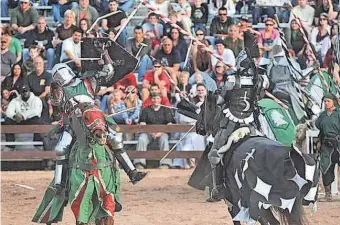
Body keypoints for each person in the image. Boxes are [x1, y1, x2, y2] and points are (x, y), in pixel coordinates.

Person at [49, 62, 147, 185]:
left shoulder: (85, 81)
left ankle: (132, 172)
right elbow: (57, 109)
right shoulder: (60, 90)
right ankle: (60, 183)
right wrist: (55, 92)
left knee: (115, 139)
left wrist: (103, 55)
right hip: (73, 121)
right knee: (61, 148)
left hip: (95, 117)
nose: (61, 76)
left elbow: (108, 71)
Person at [198, 49, 269, 200]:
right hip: (251, 121)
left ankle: (218, 189)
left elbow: (220, 101)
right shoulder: (260, 79)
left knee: (214, 154)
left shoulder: (232, 80)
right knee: (266, 137)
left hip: (232, 120)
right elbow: (261, 94)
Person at [134, 92, 175, 169]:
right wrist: (150, 132)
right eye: (154, 98)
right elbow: (142, 124)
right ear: (151, 99)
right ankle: (139, 163)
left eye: (158, 98)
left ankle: (165, 164)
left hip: (162, 133)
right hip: (148, 133)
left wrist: (160, 133)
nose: (156, 100)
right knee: (141, 139)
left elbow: (169, 125)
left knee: (164, 140)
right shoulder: (146, 110)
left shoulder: (166, 110)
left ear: (161, 99)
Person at [2, 84, 43, 152]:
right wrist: (15, 116)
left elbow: (36, 111)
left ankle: (38, 144)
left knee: (38, 120)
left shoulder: (36, 99)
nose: (24, 93)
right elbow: (8, 112)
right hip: (18, 120)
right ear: (20, 92)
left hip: (30, 120)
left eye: (26, 91)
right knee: (7, 121)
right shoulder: (15, 100)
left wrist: (23, 115)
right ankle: (10, 146)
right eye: (22, 92)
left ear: (29, 91)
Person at [315, 93, 340, 202]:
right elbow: (320, 127)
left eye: (328, 101)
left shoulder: (338, 113)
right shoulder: (323, 115)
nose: (326, 103)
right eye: (325, 101)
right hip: (326, 145)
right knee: (325, 168)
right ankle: (328, 194)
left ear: (333, 101)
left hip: (338, 143)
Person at [25, 56, 52, 124]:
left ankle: (44, 123)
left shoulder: (48, 75)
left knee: (43, 101)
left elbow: (47, 91)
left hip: (43, 98)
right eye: (36, 63)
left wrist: (37, 99)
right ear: (33, 64)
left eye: (40, 63)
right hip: (32, 99)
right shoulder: (29, 77)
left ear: (43, 63)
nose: (38, 64)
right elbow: (27, 91)